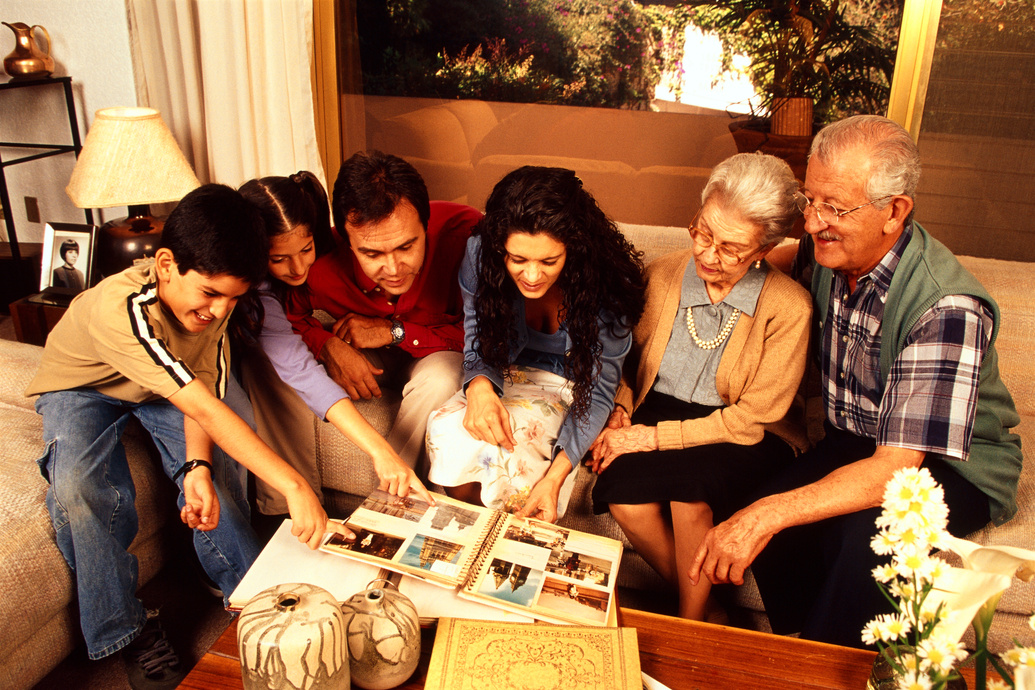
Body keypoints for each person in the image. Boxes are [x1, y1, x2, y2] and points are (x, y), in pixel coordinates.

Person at [689, 115, 1023, 648]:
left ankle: (835, 671)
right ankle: (802, 647)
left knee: (857, 541)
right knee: (754, 503)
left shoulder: (946, 305)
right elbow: (763, 262)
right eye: (810, 200)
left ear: (895, 212)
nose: (814, 221)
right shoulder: (828, 252)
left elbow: (894, 469)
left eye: (835, 208)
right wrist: (717, 258)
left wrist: (767, 515)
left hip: (950, 462)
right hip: (859, 440)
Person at [26, 184, 349, 688]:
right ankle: (128, 632)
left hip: (166, 391)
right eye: (210, 293)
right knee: (78, 488)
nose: (220, 311)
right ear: (165, 265)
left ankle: (254, 599)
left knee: (216, 475)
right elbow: (202, 405)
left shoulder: (210, 314)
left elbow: (202, 399)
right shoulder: (123, 309)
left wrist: (196, 467)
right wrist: (295, 486)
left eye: (232, 298)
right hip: (84, 387)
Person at [589, 153, 812, 621]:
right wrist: (621, 411)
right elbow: (626, 363)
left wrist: (649, 438)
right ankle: (707, 608)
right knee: (621, 495)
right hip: (660, 412)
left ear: (765, 247)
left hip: (741, 432)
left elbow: (752, 419)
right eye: (703, 232)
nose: (709, 255)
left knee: (690, 494)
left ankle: (689, 627)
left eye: (731, 248)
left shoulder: (790, 307)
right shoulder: (662, 275)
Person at [426, 166, 646, 523]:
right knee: (450, 428)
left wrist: (556, 477)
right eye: (518, 260)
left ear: (573, 249)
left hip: (573, 387)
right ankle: (469, 543)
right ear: (500, 249)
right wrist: (479, 386)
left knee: (510, 453)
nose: (531, 276)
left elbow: (601, 390)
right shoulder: (480, 256)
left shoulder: (608, 282)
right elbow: (476, 336)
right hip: (503, 374)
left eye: (549, 261)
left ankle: (505, 551)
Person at [234, 171, 433, 517]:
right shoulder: (259, 295)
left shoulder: (333, 254)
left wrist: (331, 340)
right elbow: (301, 371)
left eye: (306, 250)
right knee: (262, 367)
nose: (298, 268)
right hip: (240, 358)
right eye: (278, 259)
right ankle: (286, 511)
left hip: (385, 342)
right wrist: (381, 451)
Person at [288, 151, 483, 477]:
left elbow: (490, 335)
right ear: (347, 242)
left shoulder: (467, 236)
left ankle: (391, 502)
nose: (393, 269)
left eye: (406, 247)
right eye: (371, 253)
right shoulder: (320, 264)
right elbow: (284, 320)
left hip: (440, 356)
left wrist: (396, 331)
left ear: (426, 224)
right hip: (369, 358)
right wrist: (327, 345)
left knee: (442, 378)